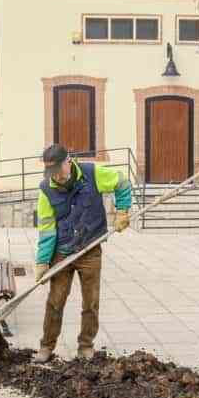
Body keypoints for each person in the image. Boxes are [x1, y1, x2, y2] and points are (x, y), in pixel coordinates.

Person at [34, 144, 132, 363]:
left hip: (90, 249)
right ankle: (46, 346)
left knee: (91, 302)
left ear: (68, 161)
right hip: (62, 253)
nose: (56, 177)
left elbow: (122, 182)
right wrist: (42, 261)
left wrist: (122, 210)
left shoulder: (92, 173)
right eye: (51, 173)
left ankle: (85, 345)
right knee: (55, 301)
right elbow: (47, 228)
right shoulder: (46, 189)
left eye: (58, 170)